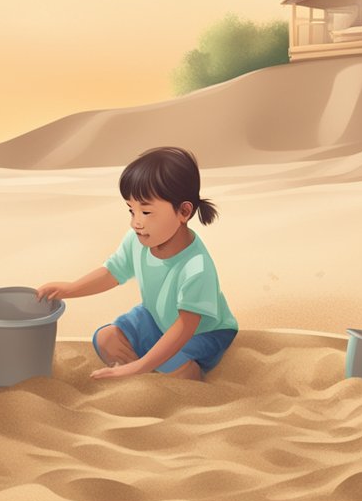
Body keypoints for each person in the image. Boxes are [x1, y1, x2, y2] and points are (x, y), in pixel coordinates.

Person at [36, 146, 237, 381]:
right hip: (155, 318)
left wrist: (137, 366)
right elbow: (113, 272)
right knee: (106, 338)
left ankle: (165, 371)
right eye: (132, 210)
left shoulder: (196, 266)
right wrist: (70, 288)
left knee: (172, 365)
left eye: (146, 212)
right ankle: (147, 373)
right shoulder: (137, 240)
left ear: (183, 211)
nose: (135, 223)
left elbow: (185, 327)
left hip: (204, 332)